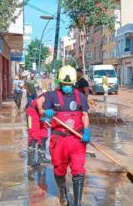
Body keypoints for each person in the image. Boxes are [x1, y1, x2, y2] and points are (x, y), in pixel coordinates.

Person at [37, 65, 90, 206]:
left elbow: (84, 115)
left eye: (69, 84)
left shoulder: (80, 97)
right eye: (64, 84)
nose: (67, 87)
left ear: (73, 83)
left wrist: (86, 131)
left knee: (78, 170)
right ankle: (62, 192)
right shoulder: (52, 96)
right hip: (58, 139)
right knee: (59, 169)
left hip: (77, 139)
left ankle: (77, 203)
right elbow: (39, 107)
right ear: (60, 82)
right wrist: (45, 113)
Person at [25, 93, 49, 166]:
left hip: (41, 114)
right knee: (34, 135)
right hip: (32, 113)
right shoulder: (49, 95)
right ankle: (30, 160)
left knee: (43, 135)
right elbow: (38, 102)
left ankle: (41, 157)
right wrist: (43, 116)